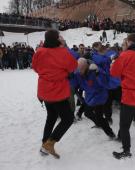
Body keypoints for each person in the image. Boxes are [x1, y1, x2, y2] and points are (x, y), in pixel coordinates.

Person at [32, 29, 78, 159]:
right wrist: (64, 46)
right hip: (57, 91)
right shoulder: (62, 52)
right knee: (68, 118)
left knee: (51, 116)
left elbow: (35, 67)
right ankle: (50, 143)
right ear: (57, 39)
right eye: (60, 37)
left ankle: (44, 144)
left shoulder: (39, 51)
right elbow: (73, 66)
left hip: (44, 90)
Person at [73, 58, 116, 138]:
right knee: (88, 113)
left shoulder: (95, 70)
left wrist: (98, 73)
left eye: (81, 69)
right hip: (89, 96)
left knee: (96, 115)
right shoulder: (78, 73)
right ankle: (99, 124)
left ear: (86, 66)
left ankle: (110, 134)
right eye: (79, 69)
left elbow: (106, 81)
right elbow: (75, 82)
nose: (80, 71)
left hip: (99, 96)